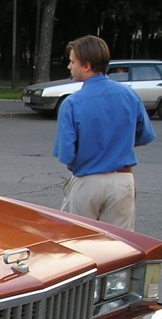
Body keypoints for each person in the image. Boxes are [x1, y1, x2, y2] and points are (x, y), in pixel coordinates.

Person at [52, 35, 155, 231]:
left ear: (87, 65)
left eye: (72, 61)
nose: (69, 66)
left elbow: (66, 153)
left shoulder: (72, 103)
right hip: (122, 181)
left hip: (87, 180)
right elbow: (144, 135)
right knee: (118, 247)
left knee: (78, 241)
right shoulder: (129, 95)